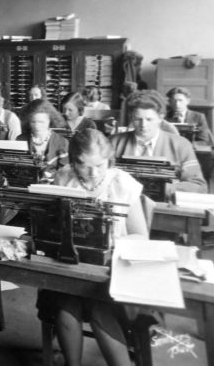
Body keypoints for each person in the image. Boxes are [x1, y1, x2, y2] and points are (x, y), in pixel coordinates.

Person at [38, 129, 148, 366]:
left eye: (99, 165)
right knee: (66, 307)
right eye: (84, 165)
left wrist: (109, 244)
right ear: (73, 160)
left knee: (99, 310)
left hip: (111, 266)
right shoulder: (64, 177)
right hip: (73, 262)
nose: (93, 172)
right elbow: (53, 224)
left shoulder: (123, 184)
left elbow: (141, 236)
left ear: (109, 159)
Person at [110, 90, 207, 195]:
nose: (143, 125)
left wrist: (162, 189)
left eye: (149, 119)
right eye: (138, 119)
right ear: (131, 117)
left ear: (161, 118)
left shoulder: (181, 145)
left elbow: (198, 186)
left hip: (165, 200)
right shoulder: (114, 142)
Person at [17, 99, 69, 181]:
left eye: (41, 122)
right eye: (33, 122)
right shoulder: (20, 140)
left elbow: (65, 174)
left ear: (50, 120)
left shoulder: (62, 143)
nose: (37, 126)